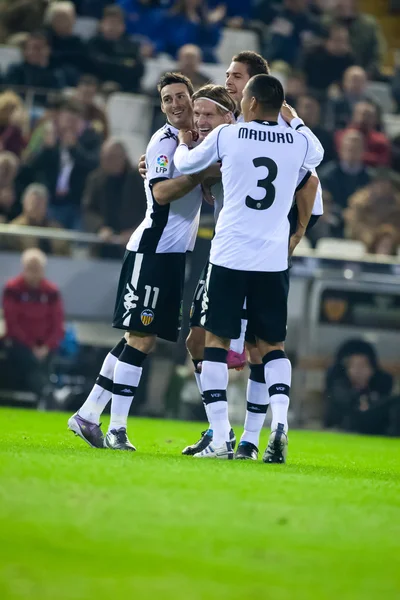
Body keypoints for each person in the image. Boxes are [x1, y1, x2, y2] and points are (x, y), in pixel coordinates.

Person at [180, 51, 323, 460]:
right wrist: (294, 120)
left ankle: (223, 436)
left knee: (215, 343)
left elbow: (188, 162)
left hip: (230, 253)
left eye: (242, 94)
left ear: (253, 102)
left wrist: (186, 147)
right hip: (272, 259)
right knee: (272, 345)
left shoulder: (229, 136)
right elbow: (316, 158)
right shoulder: (297, 142)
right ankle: (280, 422)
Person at [68, 72, 208, 451]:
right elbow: (161, 193)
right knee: (141, 338)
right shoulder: (164, 142)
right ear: (161, 107)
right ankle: (117, 429)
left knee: (136, 338)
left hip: (172, 255)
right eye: (168, 99)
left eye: (181, 96)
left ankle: (86, 414)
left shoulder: (195, 143)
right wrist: (200, 174)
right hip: (152, 249)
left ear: (192, 99)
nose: (176, 104)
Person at [23, 99, 102, 230]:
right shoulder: (49, 137)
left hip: (78, 204)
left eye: (74, 121)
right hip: (51, 202)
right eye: (66, 120)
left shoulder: (92, 138)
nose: (69, 126)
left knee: (77, 245)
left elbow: (94, 165)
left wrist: (74, 149)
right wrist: (47, 149)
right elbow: (30, 167)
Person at [2, 248, 64, 401]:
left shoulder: (51, 291)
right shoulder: (13, 289)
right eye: (30, 268)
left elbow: (57, 323)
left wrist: (46, 346)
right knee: (29, 361)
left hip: (45, 346)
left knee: (44, 360)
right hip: (20, 344)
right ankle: (47, 393)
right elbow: (12, 322)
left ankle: (45, 393)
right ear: (24, 269)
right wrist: (31, 346)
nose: (34, 273)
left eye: (37, 269)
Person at [83, 138, 147, 258]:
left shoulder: (140, 180)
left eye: (110, 157)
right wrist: (100, 228)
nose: (105, 162)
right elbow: (88, 210)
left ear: (122, 157)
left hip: (133, 244)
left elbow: (149, 210)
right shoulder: (95, 180)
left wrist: (135, 232)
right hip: (103, 245)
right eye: (103, 157)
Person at [325, 339, 394, 436]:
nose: (359, 371)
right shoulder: (339, 386)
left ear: (372, 370)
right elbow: (344, 404)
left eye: (363, 366)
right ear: (348, 370)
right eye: (355, 366)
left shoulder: (379, 390)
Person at [88, 5, 144, 93]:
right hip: (98, 88)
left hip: (127, 89)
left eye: (117, 23)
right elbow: (97, 65)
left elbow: (139, 70)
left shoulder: (131, 45)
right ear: (101, 24)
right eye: (110, 23)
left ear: (123, 26)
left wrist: (111, 63)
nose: (113, 27)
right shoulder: (93, 43)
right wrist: (124, 63)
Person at [7, 184, 70, 256]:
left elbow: (67, 255)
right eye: (33, 202)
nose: (36, 207)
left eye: (40, 203)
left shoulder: (57, 230)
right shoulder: (14, 230)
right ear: (24, 203)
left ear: (46, 205)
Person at [5, 32, 65, 104]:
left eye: (37, 48)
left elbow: (57, 99)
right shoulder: (15, 70)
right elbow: (9, 94)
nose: (32, 52)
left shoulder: (56, 74)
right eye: (28, 48)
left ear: (48, 50)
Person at [319, 129, 371, 209]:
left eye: (356, 149)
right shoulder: (326, 175)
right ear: (340, 150)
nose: (352, 153)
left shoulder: (370, 177)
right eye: (349, 149)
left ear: (363, 151)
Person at [335, 101, 391, 168]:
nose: (364, 118)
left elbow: (383, 160)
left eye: (369, 115)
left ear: (375, 119)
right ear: (354, 115)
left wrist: (359, 156)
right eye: (362, 114)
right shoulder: (342, 136)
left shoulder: (380, 140)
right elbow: (342, 155)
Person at [302, 24, 355, 95]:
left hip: (340, 94)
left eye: (344, 41)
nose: (341, 44)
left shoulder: (349, 58)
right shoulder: (313, 54)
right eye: (337, 40)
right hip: (312, 91)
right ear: (327, 41)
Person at [45, 1, 88, 86]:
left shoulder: (78, 42)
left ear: (73, 20)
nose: (63, 22)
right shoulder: (45, 39)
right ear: (51, 20)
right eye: (59, 18)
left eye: (66, 18)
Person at [327, 65, 371, 131]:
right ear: (345, 82)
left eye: (360, 80)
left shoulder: (372, 104)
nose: (357, 84)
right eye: (354, 80)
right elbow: (330, 126)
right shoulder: (335, 103)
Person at [296, 94, 335, 165]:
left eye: (313, 107)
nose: (310, 111)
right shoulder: (290, 133)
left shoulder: (325, 136)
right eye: (307, 107)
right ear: (298, 109)